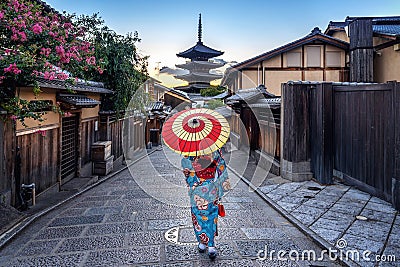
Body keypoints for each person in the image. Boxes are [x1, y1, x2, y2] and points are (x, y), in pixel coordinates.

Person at [181, 149, 231, 259]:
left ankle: (205, 243)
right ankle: (208, 244)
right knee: (207, 215)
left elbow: (186, 166)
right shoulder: (213, 148)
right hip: (208, 185)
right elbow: (221, 165)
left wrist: (192, 180)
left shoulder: (191, 149)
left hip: (200, 186)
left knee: (202, 214)